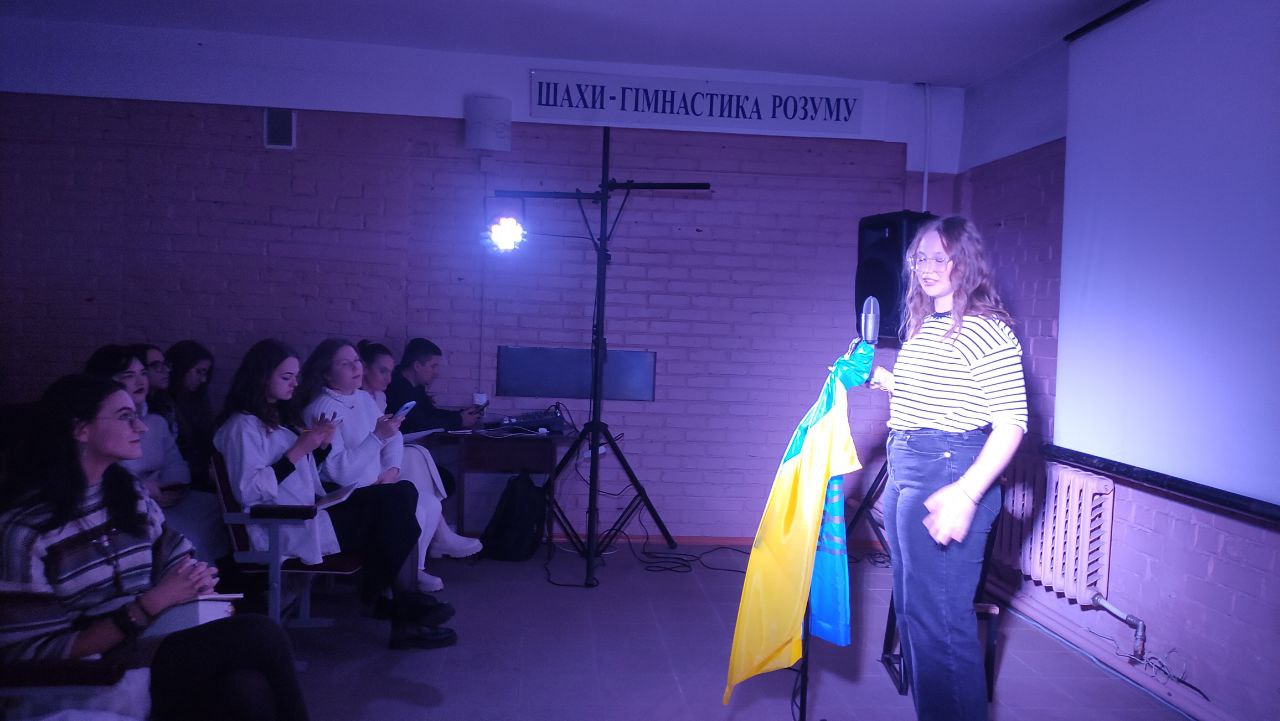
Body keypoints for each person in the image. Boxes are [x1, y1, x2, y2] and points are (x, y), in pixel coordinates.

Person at [0, 374, 311, 721]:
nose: (142, 427)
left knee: (245, 688)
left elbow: (172, 550)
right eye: (125, 417)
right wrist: (149, 605)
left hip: (149, 644)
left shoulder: (127, 493)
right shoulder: (25, 533)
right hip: (92, 676)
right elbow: (34, 653)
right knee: (261, 634)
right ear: (81, 429)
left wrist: (194, 577)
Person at [868, 216, 1027, 721]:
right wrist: (887, 381)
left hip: (949, 471)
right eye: (921, 258)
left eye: (942, 257)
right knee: (914, 616)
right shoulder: (927, 324)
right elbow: (946, 399)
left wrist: (967, 493)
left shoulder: (986, 328)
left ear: (966, 262)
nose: (928, 267)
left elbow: (1011, 423)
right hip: (909, 466)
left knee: (939, 623)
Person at [212, 339, 456, 649]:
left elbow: (300, 475)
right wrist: (301, 449)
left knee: (402, 492)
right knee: (394, 507)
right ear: (261, 377)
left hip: (307, 514)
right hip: (283, 525)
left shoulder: (276, 420)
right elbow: (249, 491)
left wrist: (320, 448)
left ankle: (395, 602)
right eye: (286, 377)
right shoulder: (241, 427)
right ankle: (400, 609)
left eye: (295, 376)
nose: (294, 384)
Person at [300, 340, 481, 593]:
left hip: (374, 486)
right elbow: (339, 473)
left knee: (427, 502)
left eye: (357, 361)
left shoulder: (362, 398)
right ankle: (395, 587)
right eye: (345, 363)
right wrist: (376, 437)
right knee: (409, 501)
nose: (356, 367)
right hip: (346, 495)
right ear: (327, 373)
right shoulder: (323, 409)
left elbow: (393, 434)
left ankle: (412, 573)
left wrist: (392, 469)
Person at [85, 345, 229, 564]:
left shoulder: (156, 421)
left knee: (213, 508)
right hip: (125, 500)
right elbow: (103, 475)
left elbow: (175, 462)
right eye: (129, 375)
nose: (140, 381)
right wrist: (146, 490)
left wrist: (172, 486)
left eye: (143, 373)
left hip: (162, 494)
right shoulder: (99, 429)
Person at [385, 338, 481, 433]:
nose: (436, 373)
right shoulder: (395, 387)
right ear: (417, 366)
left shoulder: (417, 384)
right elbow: (418, 424)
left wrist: (460, 415)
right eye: (433, 366)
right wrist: (459, 421)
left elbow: (430, 413)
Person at [165, 340, 217, 491]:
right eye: (200, 371)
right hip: (175, 482)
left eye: (206, 373)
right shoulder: (163, 404)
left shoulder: (198, 400)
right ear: (181, 367)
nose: (204, 379)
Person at [356, 340, 396, 412]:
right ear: (364, 368)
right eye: (383, 371)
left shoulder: (381, 397)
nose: (389, 379)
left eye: (391, 372)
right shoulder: (350, 399)